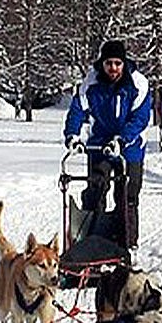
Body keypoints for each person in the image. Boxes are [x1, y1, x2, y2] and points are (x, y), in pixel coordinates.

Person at [64, 39, 152, 250]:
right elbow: (77, 109)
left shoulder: (138, 84)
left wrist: (122, 140)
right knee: (95, 188)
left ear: (124, 63)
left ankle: (128, 244)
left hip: (130, 146)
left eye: (117, 63)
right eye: (109, 63)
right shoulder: (91, 83)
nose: (113, 68)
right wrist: (72, 136)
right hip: (101, 142)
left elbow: (139, 119)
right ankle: (91, 242)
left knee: (127, 194)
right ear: (102, 64)